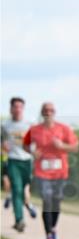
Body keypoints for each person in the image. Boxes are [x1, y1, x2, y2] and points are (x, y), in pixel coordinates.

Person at [23, 102, 79, 239]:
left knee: (56, 201)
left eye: (51, 110)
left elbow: (75, 147)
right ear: (42, 113)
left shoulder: (64, 129)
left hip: (60, 172)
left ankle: (53, 228)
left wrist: (62, 146)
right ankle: (49, 235)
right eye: (45, 110)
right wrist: (32, 152)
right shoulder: (34, 130)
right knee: (46, 200)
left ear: (54, 112)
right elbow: (25, 144)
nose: (48, 113)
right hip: (42, 172)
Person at [2, 97, 38, 232]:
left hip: (28, 160)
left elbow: (38, 139)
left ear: (23, 108)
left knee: (24, 189)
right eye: (15, 106)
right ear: (11, 109)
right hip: (13, 160)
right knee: (17, 189)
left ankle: (27, 204)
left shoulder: (30, 123)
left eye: (20, 107)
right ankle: (19, 220)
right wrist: (2, 145)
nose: (17, 109)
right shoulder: (5, 125)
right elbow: (2, 141)